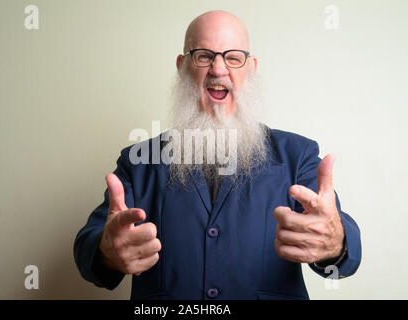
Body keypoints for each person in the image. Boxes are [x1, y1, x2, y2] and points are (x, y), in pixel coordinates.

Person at [73, 10, 361, 300]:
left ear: (251, 68)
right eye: (203, 56)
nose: (218, 69)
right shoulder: (139, 161)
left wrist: (337, 243)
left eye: (233, 57)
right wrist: (106, 251)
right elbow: (89, 244)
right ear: (182, 65)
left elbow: (342, 242)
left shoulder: (297, 155)